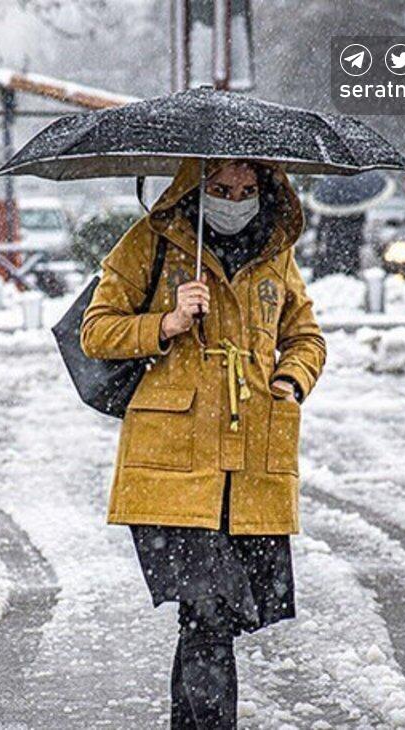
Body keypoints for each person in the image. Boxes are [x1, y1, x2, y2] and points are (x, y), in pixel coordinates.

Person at [80, 157, 326, 728]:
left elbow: (306, 337)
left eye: (245, 189)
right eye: (219, 188)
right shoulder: (152, 242)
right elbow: (96, 331)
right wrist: (165, 323)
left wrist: (290, 380)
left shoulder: (275, 253)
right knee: (210, 613)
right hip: (173, 467)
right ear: (196, 187)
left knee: (209, 618)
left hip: (250, 471)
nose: (234, 200)